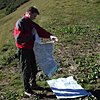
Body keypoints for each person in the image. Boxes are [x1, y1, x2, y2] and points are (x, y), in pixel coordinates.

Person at [13, 6, 58, 97]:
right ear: (29, 13)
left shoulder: (31, 23)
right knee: (26, 69)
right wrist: (31, 34)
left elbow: (40, 30)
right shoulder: (20, 23)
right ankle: (27, 90)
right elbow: (19, 39)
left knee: (33, 67)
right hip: (24, 50)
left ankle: (33, 84)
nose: (35, 18)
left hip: (32, 49)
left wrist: (50, 36)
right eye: (34, 16)